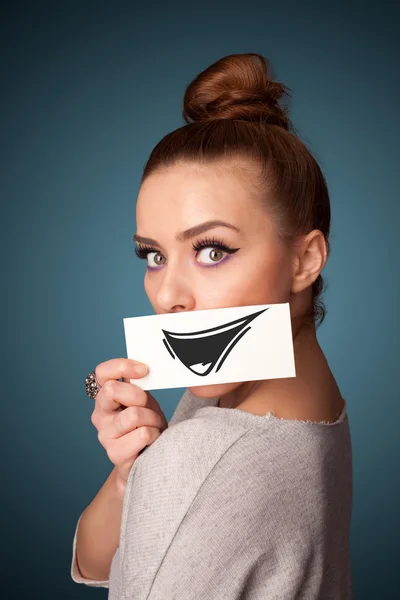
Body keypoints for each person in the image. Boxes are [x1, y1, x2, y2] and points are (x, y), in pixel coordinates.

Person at [71, 53, 352, 598]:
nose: (169, 295)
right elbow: (99, 560)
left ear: (306, 260)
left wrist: (163, 474)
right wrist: (134, 471)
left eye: (212, 250)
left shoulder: (201, 456)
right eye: (153, 256)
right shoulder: (303, 399)